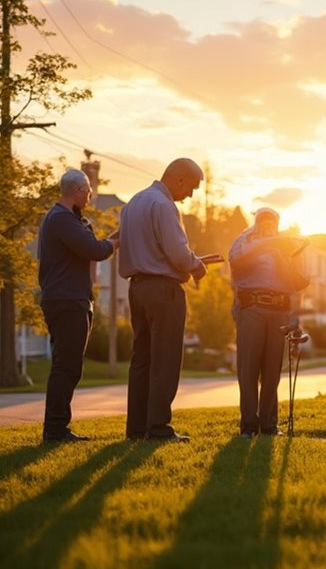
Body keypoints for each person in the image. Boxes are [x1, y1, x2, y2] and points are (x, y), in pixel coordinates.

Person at [118, 158, 207, 443]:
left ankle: (137, 428)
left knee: (141, 359)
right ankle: (158, 429)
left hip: (137, 288)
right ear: (179, 179)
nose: (190, 195)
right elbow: (178, 254)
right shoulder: (164, 205)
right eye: (191, 187)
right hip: (163, 291)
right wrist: (196, 266)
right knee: (165, 360)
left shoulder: (133, 203)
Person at [37, 168, 119, 443]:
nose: (91, 195)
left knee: (70, 366)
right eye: (88, 190)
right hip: (67, 300)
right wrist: (115, 242)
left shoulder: (69, 220)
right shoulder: (61, 220)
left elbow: (92, 244)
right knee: (65, 367)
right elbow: (95, 250)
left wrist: (112, 238)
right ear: (76, 191)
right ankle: (55, 430)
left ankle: (58, 428)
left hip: (72, 299)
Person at [228, 207, 308, 438]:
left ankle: (269, 425)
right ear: (256, 223)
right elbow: (236, 261)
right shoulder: (245, 241)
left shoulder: (285, 245)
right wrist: (266, 244)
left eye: (272, 221)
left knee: (273, 370)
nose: (268, 225)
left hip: (279, 310)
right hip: (251, 308)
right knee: (249, 369)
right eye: (263, 221)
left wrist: (295, 253)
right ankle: (249, 426)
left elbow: (300, 282)